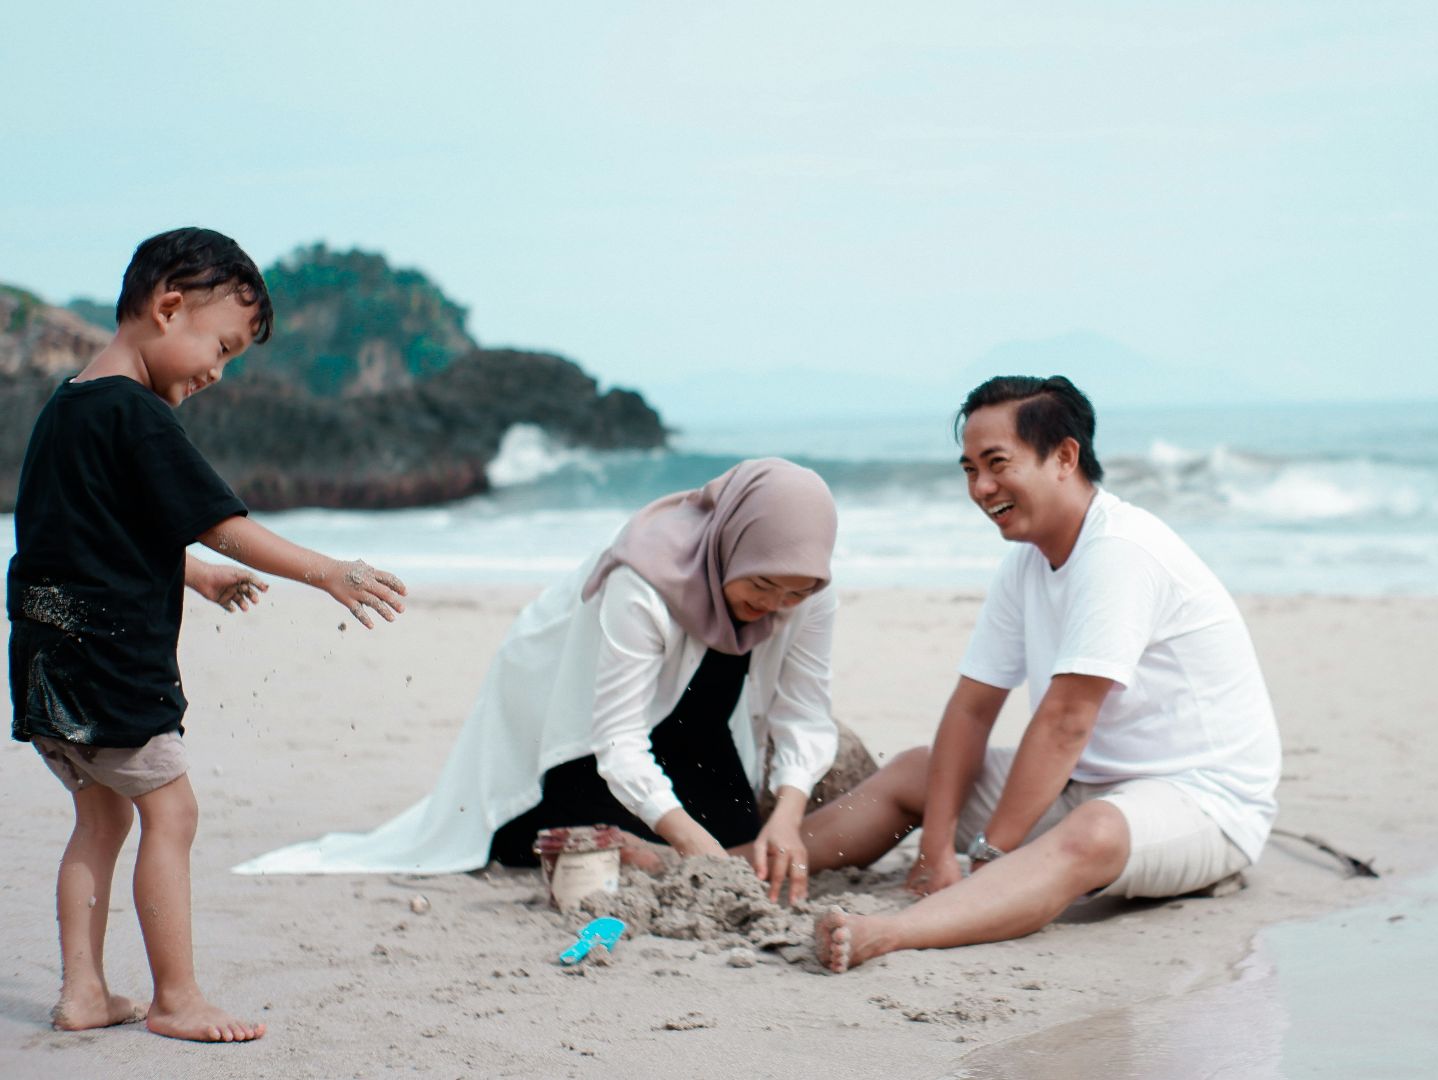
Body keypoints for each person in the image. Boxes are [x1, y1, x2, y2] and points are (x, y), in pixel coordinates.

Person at [8, 227, 409, 1042]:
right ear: (167, 307)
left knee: (102, 817)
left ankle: (83, 992)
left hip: (44, 655)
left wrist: (191, 575)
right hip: (113, 660)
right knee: (172, 811)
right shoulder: (139, 415)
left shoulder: (69, 404)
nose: (217, 374)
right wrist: (326, 571)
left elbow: (82, 533)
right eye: (220, 347)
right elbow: (221, 523)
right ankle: (176, 998)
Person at [796, 375, 1281, 972]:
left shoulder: (1121, 550)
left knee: (1093, 831)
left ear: (1065, 457)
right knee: (918, 770)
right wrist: (937, 844)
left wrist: (989, 853)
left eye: (997, 463)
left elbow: (1065, 723)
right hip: (1086, 785)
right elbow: (973, 708)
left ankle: (893, 932)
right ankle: (727, 864)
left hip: (1204, 803)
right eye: (970, 468)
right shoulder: (1026, 561)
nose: (981, 487)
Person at [236, 458, 851, 907]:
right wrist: (690, 841)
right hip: (578, 725)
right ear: (731, 545)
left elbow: (804, 712)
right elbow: (617, 740)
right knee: (538, 839)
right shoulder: (643, 580)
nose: (773, 605)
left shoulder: (805, 588)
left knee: (740, 835)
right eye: (761, 587)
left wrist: (787, 817)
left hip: (695, 719)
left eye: (793, 593)